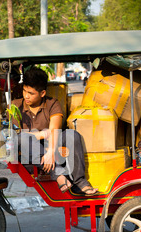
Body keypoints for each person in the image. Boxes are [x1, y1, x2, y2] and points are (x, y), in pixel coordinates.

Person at [12, 67, 97, 195]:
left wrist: (50, 151)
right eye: (24, 91)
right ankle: (58, 175)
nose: (26, 96)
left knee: (71, 135)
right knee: (22, 138)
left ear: (42, 93)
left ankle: (80, 182)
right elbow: (15, 134)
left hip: (52, 146)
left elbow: (54, 130)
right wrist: (40, 134)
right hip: (30, 154)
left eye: (31, 93)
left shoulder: (52, 103)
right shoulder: (15, 105)